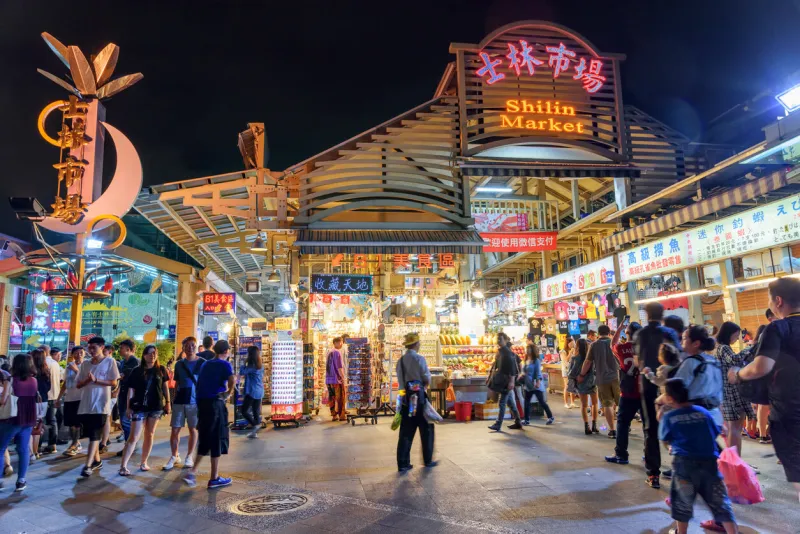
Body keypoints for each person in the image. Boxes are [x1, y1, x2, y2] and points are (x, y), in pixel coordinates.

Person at [729, 278, 800, 503]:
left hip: (791, 414)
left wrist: (738, 374)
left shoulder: (778, 328)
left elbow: (761, 367)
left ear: (778, 301)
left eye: (770, 299)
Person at [658, 378, 738, 534]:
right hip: (709, 464)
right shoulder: (703, 412)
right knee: (720, 503)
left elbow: (665, 439)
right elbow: (714, 433)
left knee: (682, 503)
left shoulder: (670, 417)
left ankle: (681, 532)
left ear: (669, 398)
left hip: (684, 466)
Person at [183, 340, 234, 489]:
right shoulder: (225, 364)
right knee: (216, 438)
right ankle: (202, 475)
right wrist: (227, 394)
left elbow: (200, 385)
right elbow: (231, 380)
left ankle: (210, 476)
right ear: (226, 351)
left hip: (203, 404)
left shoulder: (206, 364)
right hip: (215, 404)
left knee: (206, 437)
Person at [118, 345, 170, 475]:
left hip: (156, 407)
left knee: (150, 434)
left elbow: (165, 387)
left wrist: (168, 402)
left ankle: (143, 462)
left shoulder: (161, 369)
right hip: (139, 407)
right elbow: (131, 389)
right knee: (134, 436)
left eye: (154, 353)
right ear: (144, 355)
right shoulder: (137, 370)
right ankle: (123, 466)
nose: (152, 355)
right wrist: (129, 407)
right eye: (149, 353)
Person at [76, 336, 120, 478]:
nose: (91, 350)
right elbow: (78, 384)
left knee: (94, 435)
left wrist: (96, 380)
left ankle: (87, 465)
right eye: (89, 348)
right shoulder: (85, 364)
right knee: (90, 434)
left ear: (102, 347)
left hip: (101, 404)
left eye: (94, 347)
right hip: (86, 404)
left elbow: (113, 382)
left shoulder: (109, 361)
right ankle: (97, 461)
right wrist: (87, 380)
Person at [634, 302, 666, 488]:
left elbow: (639, 361)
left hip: (648, 384)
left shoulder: (641, 334)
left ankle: (653, 474)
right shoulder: (668, 333)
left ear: (646, 314)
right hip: (670, 386)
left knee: (650, 428)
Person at [396, 333, 436, 471]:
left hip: (406, 400)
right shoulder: (419, 359)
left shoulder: (400, 361)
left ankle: (403, 463)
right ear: (416, 344)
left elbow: (401, 383)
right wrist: (424, 387)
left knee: (406, 431)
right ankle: (428, 459)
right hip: (419, 400)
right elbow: (426, 377)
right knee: (427, 428)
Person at [606, 321, 643, 465]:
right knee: (648, 425)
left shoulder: (622, 348)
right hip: (643, 391)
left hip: (627, 393)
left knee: (622, 423)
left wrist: (618, 329)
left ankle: (621, 454)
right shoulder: (644, 349)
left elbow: (612, 344)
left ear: (626, 333)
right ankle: (649, 454)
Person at [0, 354, 39, 492]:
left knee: (1, 448)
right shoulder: (34, 381)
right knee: (23, 450)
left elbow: (3, 400)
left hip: (12, 419)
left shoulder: (11, 381)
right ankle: (21, 480)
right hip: (28, 419)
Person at [714, 321, 754, 455]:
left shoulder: (720, 347)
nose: (737, 339)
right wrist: (749, 348)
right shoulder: (723, 348)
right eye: (736, 336)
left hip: (727, 392)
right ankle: (735, 460)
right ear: (729, 334)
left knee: (734, 429)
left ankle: (734, 459)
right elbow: (735, 360)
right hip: (731, 393)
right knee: (735, 429)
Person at [165, 336, 204, 470]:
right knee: (175, 429)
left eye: (193, 345)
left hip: (195, 402)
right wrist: (174, 399)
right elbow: (177, 383)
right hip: (180, 401)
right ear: (183, 348)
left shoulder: (202, 363)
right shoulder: (180, 364)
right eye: (187, 345)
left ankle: (189, 456)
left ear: (196, 345)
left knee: (193, 429)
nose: (190, 347)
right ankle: (174, 455)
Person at [579, 325, 619, 438]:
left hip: (602, 378)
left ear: (598, 333)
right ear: (608, 333)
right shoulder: (615, 342)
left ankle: (612, 430)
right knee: (620, 402)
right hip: (616, 376)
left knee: (607, 404)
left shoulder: (594, 345)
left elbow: (587, 362)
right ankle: (624, 425)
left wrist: (582, 375)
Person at [488, 332, 523, 432]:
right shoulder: (500, 352)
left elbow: (512, 369)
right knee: (511, 403)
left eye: (500, 339)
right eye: (497, 339)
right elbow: (495, 365)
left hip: (506, 382)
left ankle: (498, 424)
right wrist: (490, 375)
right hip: (503, 381)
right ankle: (518, 421)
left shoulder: (508, 353)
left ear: (506, 340)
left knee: (502, 403)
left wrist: (511, 381)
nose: (498, 341)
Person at [569, 338, 598, 435]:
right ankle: (594, 425)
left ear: (577, 346)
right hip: (592, 382)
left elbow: (571, 372)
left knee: (584, 405)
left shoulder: (574, 358)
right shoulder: (592, 358)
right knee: (594, 404)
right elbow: (595, 370)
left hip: (581, 383)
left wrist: (576, 377)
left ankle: (586, 426)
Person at [60, 347, 84, 457]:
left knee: (77, 423)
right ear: (72, 354)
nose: (79, 355)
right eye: (76, 353)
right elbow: (65, 382)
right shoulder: (69, 366)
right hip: (69, 397)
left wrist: (76, 370)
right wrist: (59, 397)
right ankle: (75, 443)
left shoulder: (86, 365)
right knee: (70, 423)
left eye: (81, 353)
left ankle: (74, 444)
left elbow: (86, 379)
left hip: (80, 398)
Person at [522, 341, 553, 425]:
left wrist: (538, 382)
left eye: (528, 349)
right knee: (527, 402)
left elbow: (538, 372)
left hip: (535, 385)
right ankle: (526, 419)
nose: (527, 351)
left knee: (541, 402)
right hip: (528, 385)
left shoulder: (536, 361)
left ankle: (550, 417)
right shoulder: (526, 359)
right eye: (526, 349)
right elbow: (524, 370)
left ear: (532, 350)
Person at [116, 339, 138, 448]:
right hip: (122, 394)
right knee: (124, 421)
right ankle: (129, 444)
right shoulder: (123, 362)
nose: (119, 350)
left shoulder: (136, 362)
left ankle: (130, 446)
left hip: (132, 396)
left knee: (127, 421)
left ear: (128, 349)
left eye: (121, 348)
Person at [239, 345, 264, 438]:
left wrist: (242, 363)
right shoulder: (260, 365)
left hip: (252, 391)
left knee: (244, 411)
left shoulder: (251, 366)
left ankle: (255, 425)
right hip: (259, 390)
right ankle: (254, 432)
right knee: (255, 411)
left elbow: (242, 372)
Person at [30, 349, 50, 460]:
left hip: (32, 401)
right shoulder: (46, 370)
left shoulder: (31, 371)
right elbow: (48, 387)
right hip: (44, 401)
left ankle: (31, 452)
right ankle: (36, 451)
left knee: (30, 427)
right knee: (38, 427)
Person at [43, 347, 62, 454]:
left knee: (48, 420)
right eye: (58, 354)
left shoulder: (44, 363)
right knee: (54, 419)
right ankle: (53, 443)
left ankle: (49, 444)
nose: (60, 357)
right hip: (55, 395)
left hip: (47, 396)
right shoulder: (55, 364)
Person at [325, 337, 346, 422]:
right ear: (336, 343)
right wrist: (343, 377)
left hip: (328, 379)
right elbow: (339, 367)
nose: (342, 344)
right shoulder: (337, 352)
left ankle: (334, 415)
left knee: (332, 398)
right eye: (341, 342)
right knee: (340, 397)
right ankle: (341, 416)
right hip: (336, 379)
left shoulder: (329, 352)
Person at [560, 338, 577, 409]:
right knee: (567, 386)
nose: (573, 345)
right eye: (571, 344)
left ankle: (572, 402)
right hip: (566, 370)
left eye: (574, 343)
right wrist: (570, 353)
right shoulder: (562, 351)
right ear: (567, 343)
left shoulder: (574, 350)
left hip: (572, 370)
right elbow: (566, 360)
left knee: (572, 386)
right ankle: (566, 403)